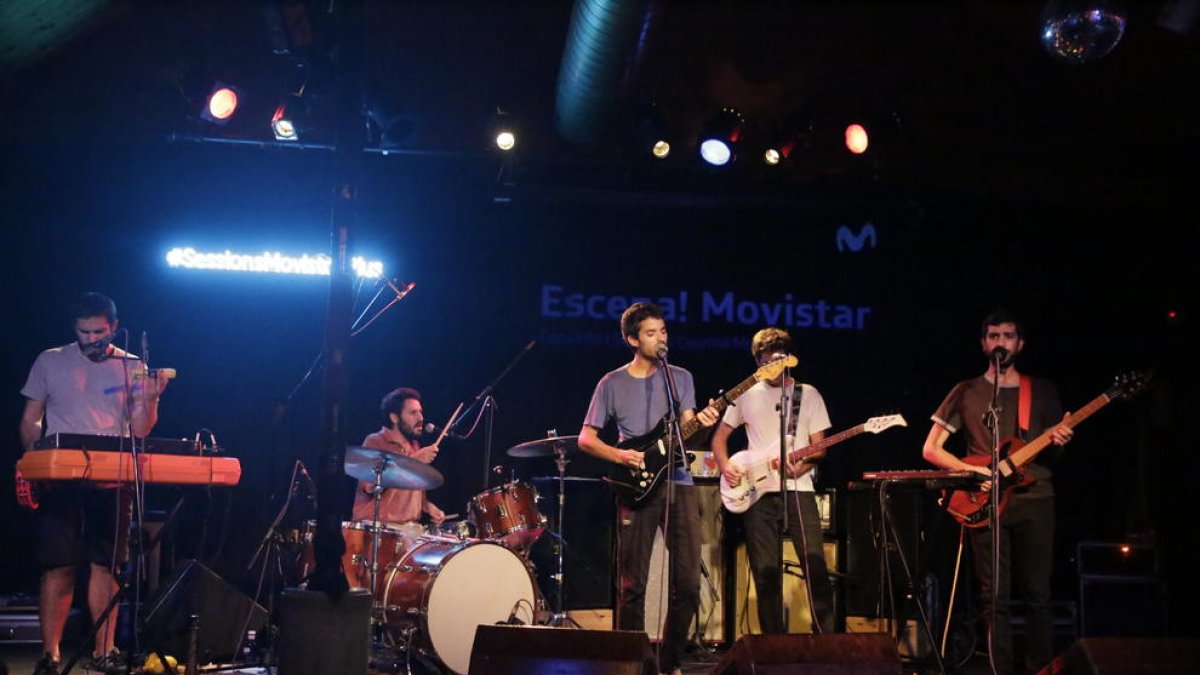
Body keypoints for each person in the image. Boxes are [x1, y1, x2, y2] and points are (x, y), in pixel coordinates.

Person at [19, 292, 170, 675]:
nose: (91, 339)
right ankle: (50, 655)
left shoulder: (133, 366)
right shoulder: (50, 361)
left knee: (107, 567)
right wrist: (32, 457)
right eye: (83, 332)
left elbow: (140, 429)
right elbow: (31, 418)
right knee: (59, 566)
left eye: (98, 332)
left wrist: (150, 399)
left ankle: (105, 650)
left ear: (114, 328)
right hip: (62, 477)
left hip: (112, 479)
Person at [922, 309, 1073, 674]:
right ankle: (999, 668)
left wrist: (1062, 440)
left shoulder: (1042, 390)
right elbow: (931, 449)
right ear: (983, 344)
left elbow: (1055, 450)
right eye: (993, 336)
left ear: (1019, 344)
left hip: (1035, 498)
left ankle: (1041, 667)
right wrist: (972, 471)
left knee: (1038, 593)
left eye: (1007, 335)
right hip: (986, 500)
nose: (1000, 342)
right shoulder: (966, 391)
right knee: (994, 595)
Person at [578, 302, 719, 675]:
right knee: (633, 585)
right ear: (632, 339)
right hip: (637, 486)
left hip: (680, 485)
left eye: (664, 331)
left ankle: (669, 662)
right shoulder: (611, 383)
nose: (661, 338)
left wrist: (703, 422)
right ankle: (630, 666)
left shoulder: (681, 377)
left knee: (688, 583)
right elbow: (586, 439)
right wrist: (621, 456)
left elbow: (690, 430)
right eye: (652, 333)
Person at [711, 327, 836, 634]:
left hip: (799, 490)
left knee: (815, 564)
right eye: (767, 362)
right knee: (765, 571)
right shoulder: (746, 395)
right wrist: (727, 467)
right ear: (758, 362)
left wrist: (804, 464)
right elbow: (719, 439)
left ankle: (828, 642)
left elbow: (820, 447)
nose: (774, 367)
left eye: (779, 360)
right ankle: (773, 646)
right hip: (757, 492)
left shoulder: (808, 394)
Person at [351, 387, 446, 530]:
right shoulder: (375, 442)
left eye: (420, 412)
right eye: (413, 413)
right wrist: (413, 462)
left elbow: (411, 491)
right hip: (378, 529)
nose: (421, 418)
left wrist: (427, 507)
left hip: (410, 529)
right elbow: (369, 487)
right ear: (394, 417)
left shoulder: (414, 445)